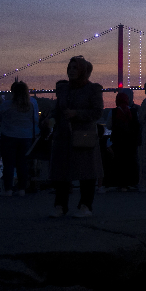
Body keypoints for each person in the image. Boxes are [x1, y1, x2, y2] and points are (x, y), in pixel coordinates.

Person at [49, 56, 104, 217]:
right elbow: (57, 110)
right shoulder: (63, 89)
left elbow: (97, 112)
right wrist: (50, 120)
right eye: (70, 67)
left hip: (83, 135)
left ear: (83, 70)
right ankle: (60, 206)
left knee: (87, 172)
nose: (71, 71)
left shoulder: (93, 89)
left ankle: (85, 206)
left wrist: (76, 113)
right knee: (61, 172)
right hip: (63, 135)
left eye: (75, 68)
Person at [0, 81, 40, 196]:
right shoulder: (33, 103)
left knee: (8, 164)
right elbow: (35, 120)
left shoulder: (7, 104)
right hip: (26, 137)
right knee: (22, 164)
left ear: (13, 92)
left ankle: (8, 190)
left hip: (8, 136)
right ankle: (22, 190)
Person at [109, 90, 140, 191]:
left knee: (119, 161)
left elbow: (109, 126)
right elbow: (138, 125)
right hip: (131, 140)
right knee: (132, 160)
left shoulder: (113, 111)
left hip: (118, 140)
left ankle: (121, 184)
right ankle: (132, 182)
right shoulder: (134, 111)